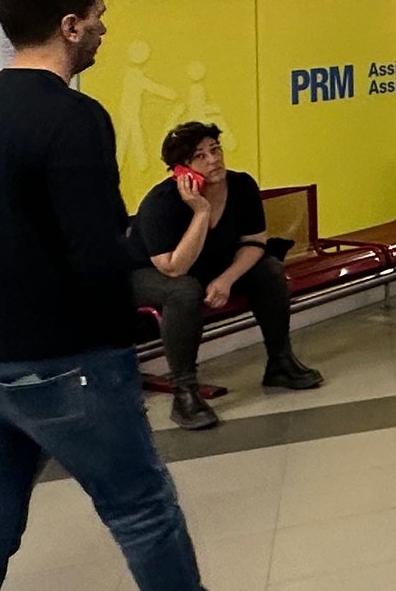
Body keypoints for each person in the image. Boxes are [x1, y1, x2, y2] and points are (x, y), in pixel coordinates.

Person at [0, 0, 304, 591]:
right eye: (97, 15)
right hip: (68, 360)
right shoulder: (74, 118)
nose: (103, 27)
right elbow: (96, 254)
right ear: (69, 27)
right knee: (141, 508)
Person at [132, 122, 322, 432]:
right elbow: (175, 267)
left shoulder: (241, 185)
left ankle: (280, 361)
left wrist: (227, 279)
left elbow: (255, 242)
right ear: (181, 170)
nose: (213, 160)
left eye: (215, 150)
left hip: (208, 267)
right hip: (146, 275)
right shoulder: (161, 202)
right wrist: (201, 211)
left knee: (269, 269)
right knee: (184, 290)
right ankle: (184, 391)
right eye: (200, 156)